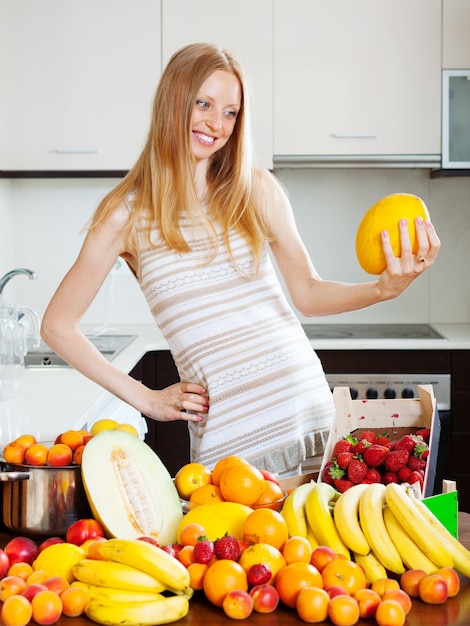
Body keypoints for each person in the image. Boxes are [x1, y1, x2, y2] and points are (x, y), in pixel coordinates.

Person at [41, 43, 440, 477]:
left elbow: (307, 291)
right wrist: (146, 398)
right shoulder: (127, 214)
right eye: (204, 103)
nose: (217, 123)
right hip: (230, 444)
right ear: (174, 100)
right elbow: (57, 325)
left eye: (230, 112)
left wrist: (383, 289)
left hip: (308, 414)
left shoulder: (256, 189)